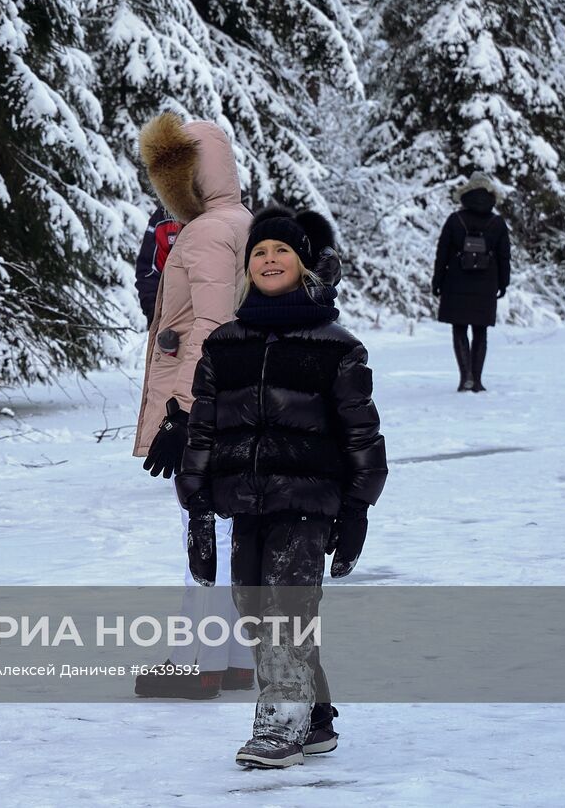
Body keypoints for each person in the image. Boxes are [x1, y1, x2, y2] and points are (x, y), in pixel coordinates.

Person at [176, 206, 388, 769]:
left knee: (285, 612)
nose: (270, 259)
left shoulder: (336, 346)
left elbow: (362, 433)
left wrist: (358, 509)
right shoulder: (225, 345)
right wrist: (196, 505)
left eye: (282, 251)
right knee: (252, 606)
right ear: (248, 268)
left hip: (309, 503)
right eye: (260, 252)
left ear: (304, 266)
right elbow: (203, 428)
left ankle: (279, 726)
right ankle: (315, 716)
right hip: (245, 501)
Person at [132, 111, 254, 698]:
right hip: (233, 403)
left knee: (201, 531)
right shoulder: (242, 222)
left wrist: (181, 415)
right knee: (225, 529)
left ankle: (195, 662)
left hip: (205, 405)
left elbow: (210, 327)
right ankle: (230, 658)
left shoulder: (206, 233)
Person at [432, 175, 511, 391]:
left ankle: (464, 376)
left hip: (456, 280)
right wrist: (504, 283)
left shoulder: (454, 220)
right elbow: (505, 256)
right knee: (480, 330)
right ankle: (477, 380)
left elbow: (442, 254)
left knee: (459, 328)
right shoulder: (498, 223)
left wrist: (437, 281)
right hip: (487, 283)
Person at [134, 203, 182, 320]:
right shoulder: (164, 218)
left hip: (222, 321)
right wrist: (154, 312)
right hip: (171, 320)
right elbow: (148, 270)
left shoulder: (223, 216)